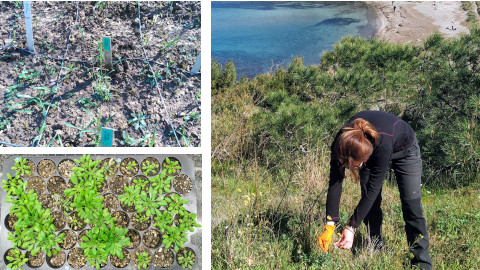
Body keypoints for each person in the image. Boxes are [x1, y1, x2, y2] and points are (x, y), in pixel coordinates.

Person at [317, 110, 433, 270]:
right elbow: (335, 182)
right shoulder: (341, 144)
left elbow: (373, 189)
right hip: (368, 148)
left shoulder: (382, 146)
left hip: (405, 149)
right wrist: (330, 224)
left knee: (411, 206)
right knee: (371, 206)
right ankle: (376, 247)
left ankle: (422, 264)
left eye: (355, 167)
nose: (354, 170)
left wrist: (351, 227)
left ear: (364, 159)